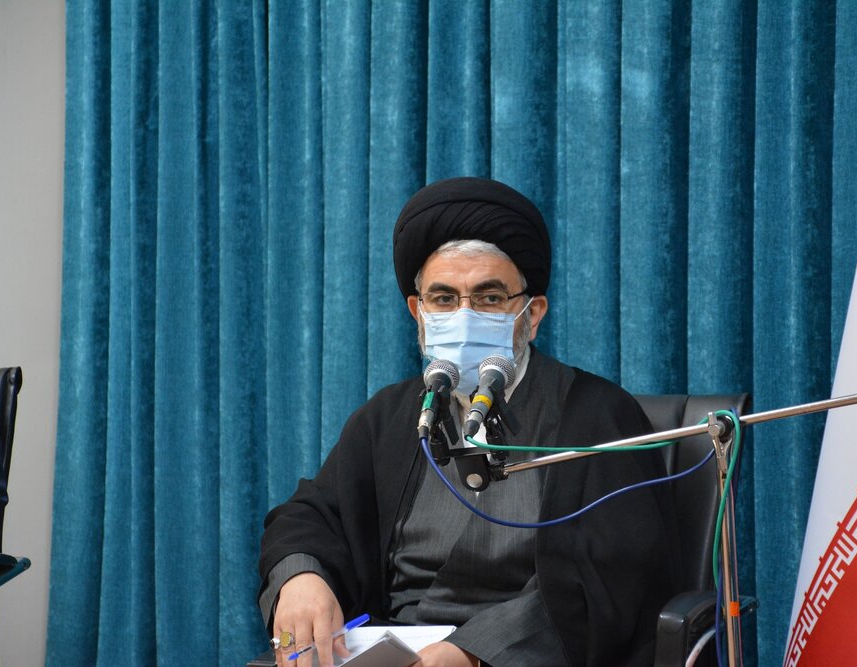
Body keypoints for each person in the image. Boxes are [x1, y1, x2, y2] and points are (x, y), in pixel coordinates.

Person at [258, 177, 680, 667]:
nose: (464, 316)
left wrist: (475, 652)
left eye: (489, 298)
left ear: (532, 314)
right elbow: (312, 515)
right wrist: (300, 577)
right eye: (443, 299)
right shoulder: (389, 417)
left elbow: (613, 574)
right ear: (417, 312)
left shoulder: (599, 415)